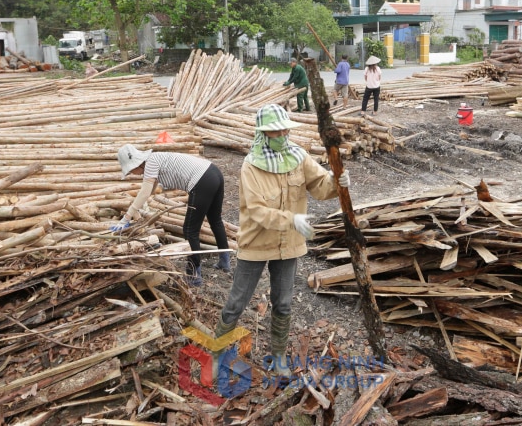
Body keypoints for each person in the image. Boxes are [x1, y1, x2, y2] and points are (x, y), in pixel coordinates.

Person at [214, 104, 350, 378]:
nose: (284, 133)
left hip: (289, 245)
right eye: (278, 130)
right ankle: (217, 355)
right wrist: (291, 219)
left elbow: (321, 186)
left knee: (283, 303)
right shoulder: (250, 166)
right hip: (256, 244)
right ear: (264, 133)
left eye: (286, 128)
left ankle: (278, 358)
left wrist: (338, 181)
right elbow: (256, 210)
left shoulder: (297, 157)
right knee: (236, 303)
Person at [117, 144, 231, 286]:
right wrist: (140, 206)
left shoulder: (151, 163)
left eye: (130, 171)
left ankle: (193, 276)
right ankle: (225, 261)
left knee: (190, 230)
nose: (131, 174)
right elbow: (149, 191)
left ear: (136, 164)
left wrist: (126, 218)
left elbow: (144, 192)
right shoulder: (154, 159)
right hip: (213, 173)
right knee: (215, 220)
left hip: (201, 181)